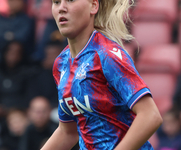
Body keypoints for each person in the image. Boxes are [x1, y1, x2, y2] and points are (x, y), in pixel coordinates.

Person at [41, 0, 163, 150]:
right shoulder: (61, 64)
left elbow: (150, 116)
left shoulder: (106, 55)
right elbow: (68, 132)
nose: (61, 8)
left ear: (93, 6)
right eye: (56, 2)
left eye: (71, 0)